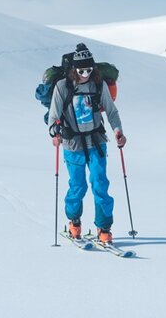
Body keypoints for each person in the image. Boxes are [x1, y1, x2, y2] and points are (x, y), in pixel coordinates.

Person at [48, 44, 126, 244]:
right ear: (74, 69)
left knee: (100, 184)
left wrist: (118, 131)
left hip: (97, 142)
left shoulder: (99, 85)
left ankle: (104, 228)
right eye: (81, 70)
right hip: (72, 144)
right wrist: (54, 133)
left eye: (89, 70)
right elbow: (54, 115)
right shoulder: (62, 87)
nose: (85, 74)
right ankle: (74, 222)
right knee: (78, 186)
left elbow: (111, 111)